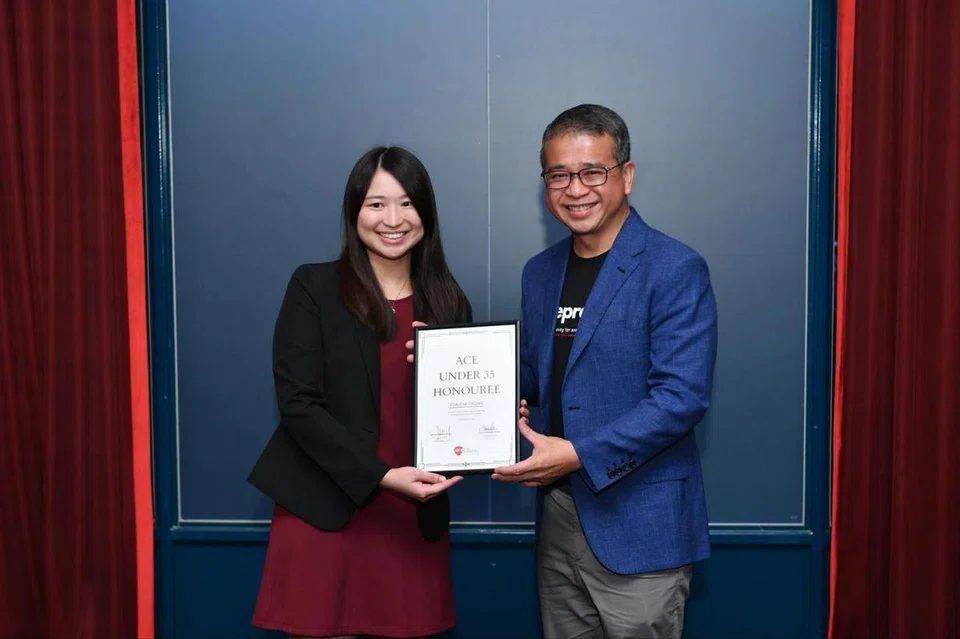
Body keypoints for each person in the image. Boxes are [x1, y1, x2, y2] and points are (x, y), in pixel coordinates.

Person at [492, 104, 718, 639]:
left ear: (627, 176)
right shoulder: (541, 273)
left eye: (593, 171)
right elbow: (534, 381)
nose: (576, 189)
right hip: (560, 520)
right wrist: (456, 366)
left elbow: (680, 399)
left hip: (641, 527)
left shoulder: (674, 267)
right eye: (558, 175)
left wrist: (577, 455)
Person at [248, 145, 472, 639]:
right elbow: (298, 405)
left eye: (407, 202)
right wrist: (383, 476)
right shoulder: (314, 287)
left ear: (426, 213)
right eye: (376, 204)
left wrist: (491, 417)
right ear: (354, 213)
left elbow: (462, 417)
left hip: (411, 519)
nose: (393, 218)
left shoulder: (448, 302)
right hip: (325, 512)